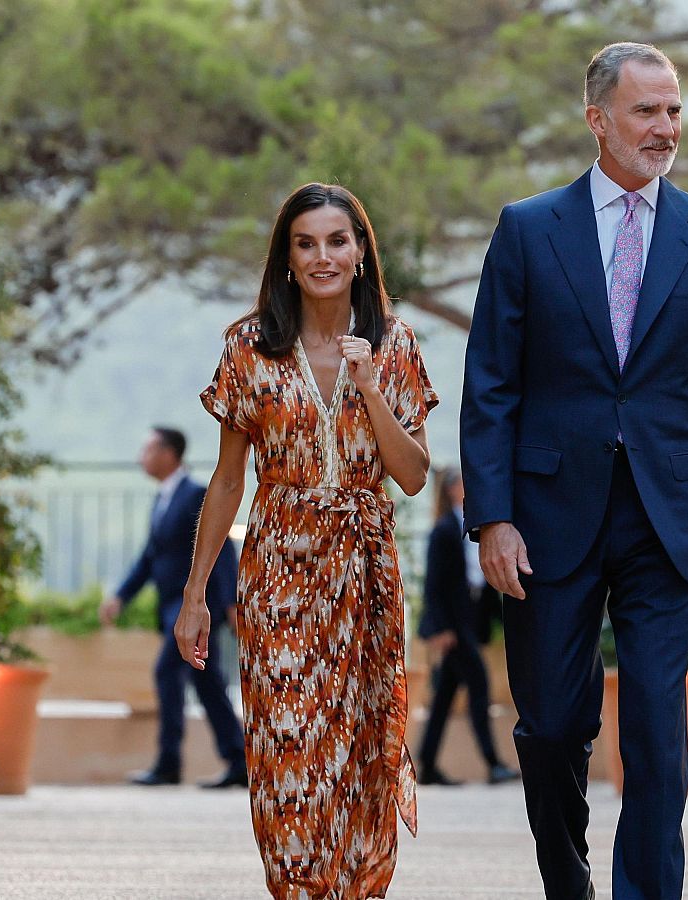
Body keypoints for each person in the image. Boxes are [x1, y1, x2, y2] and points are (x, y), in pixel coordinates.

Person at [460, 42, 688, 900]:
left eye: (673, 111)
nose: (665, 128)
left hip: (666, 521)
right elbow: (491, 385)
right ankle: (570, 887)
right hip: (547, 517)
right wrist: (492, 516)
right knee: (553, 727)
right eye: (646, 111)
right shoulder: (527, 228)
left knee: (659, 737)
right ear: (597, 118)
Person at [180, 183, 436, 899]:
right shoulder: (248, 346)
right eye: (306, 243)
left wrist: (370, 386)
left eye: (337, 241)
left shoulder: (396, 343)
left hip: (367, 577)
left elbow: (413, 477)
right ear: (287, 258)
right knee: (286, 751)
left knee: (356, 758)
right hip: (278, 575)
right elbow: (227, 483)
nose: (323, 256)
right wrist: (196, 593)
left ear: (360, 251)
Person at [100, 426, 246, 789]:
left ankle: (169, 762)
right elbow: (151, 558)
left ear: (169, 454)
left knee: (170, 674)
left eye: (148, 449)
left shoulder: (196, 495)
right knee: (208, 683)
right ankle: (239, 760)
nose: (141, 457)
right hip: (170, 609)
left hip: (197, 610)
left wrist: (230, 602)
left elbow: (223, 550)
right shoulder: (163, 499)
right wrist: (122, 595)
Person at [415, 468, 520, 787]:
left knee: (445, 696)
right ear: (451, 490)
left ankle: (428, 764)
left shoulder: (477, 524)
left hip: (472, 619)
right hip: (455, 626)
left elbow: (482, 581)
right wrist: (441, 628)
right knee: (479, 687)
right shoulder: (444, 530)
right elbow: (434, 585)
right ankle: (493, 764)